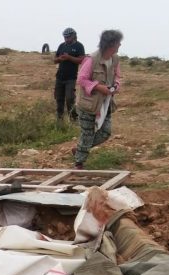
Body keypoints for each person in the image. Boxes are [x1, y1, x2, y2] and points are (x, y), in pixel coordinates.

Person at [73, 30, 123, 170]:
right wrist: (98, 87)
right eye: (118, 42)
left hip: (105, 104)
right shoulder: (91, 59)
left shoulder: (115, 59)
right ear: (111, 44)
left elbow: (118, 76)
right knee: (87, 133)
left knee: (105, 132)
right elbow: (81, 79)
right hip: (88, 104)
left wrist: (116, 85)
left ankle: (79, 149)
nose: (120, 44)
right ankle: (79, 162)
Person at [53, 28, 85, 122]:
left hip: (71, 78)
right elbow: (54, 60)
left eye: (68, 37)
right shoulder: (61, 46)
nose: (66, 39)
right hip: (59, 76)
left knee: (70, 98)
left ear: (74, 36)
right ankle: (59, 119)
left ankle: (74, 119)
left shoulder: (79, 46)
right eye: (65, 37)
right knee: (59, 98)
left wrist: (69, 57)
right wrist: (60, 59)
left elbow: (81, 60)